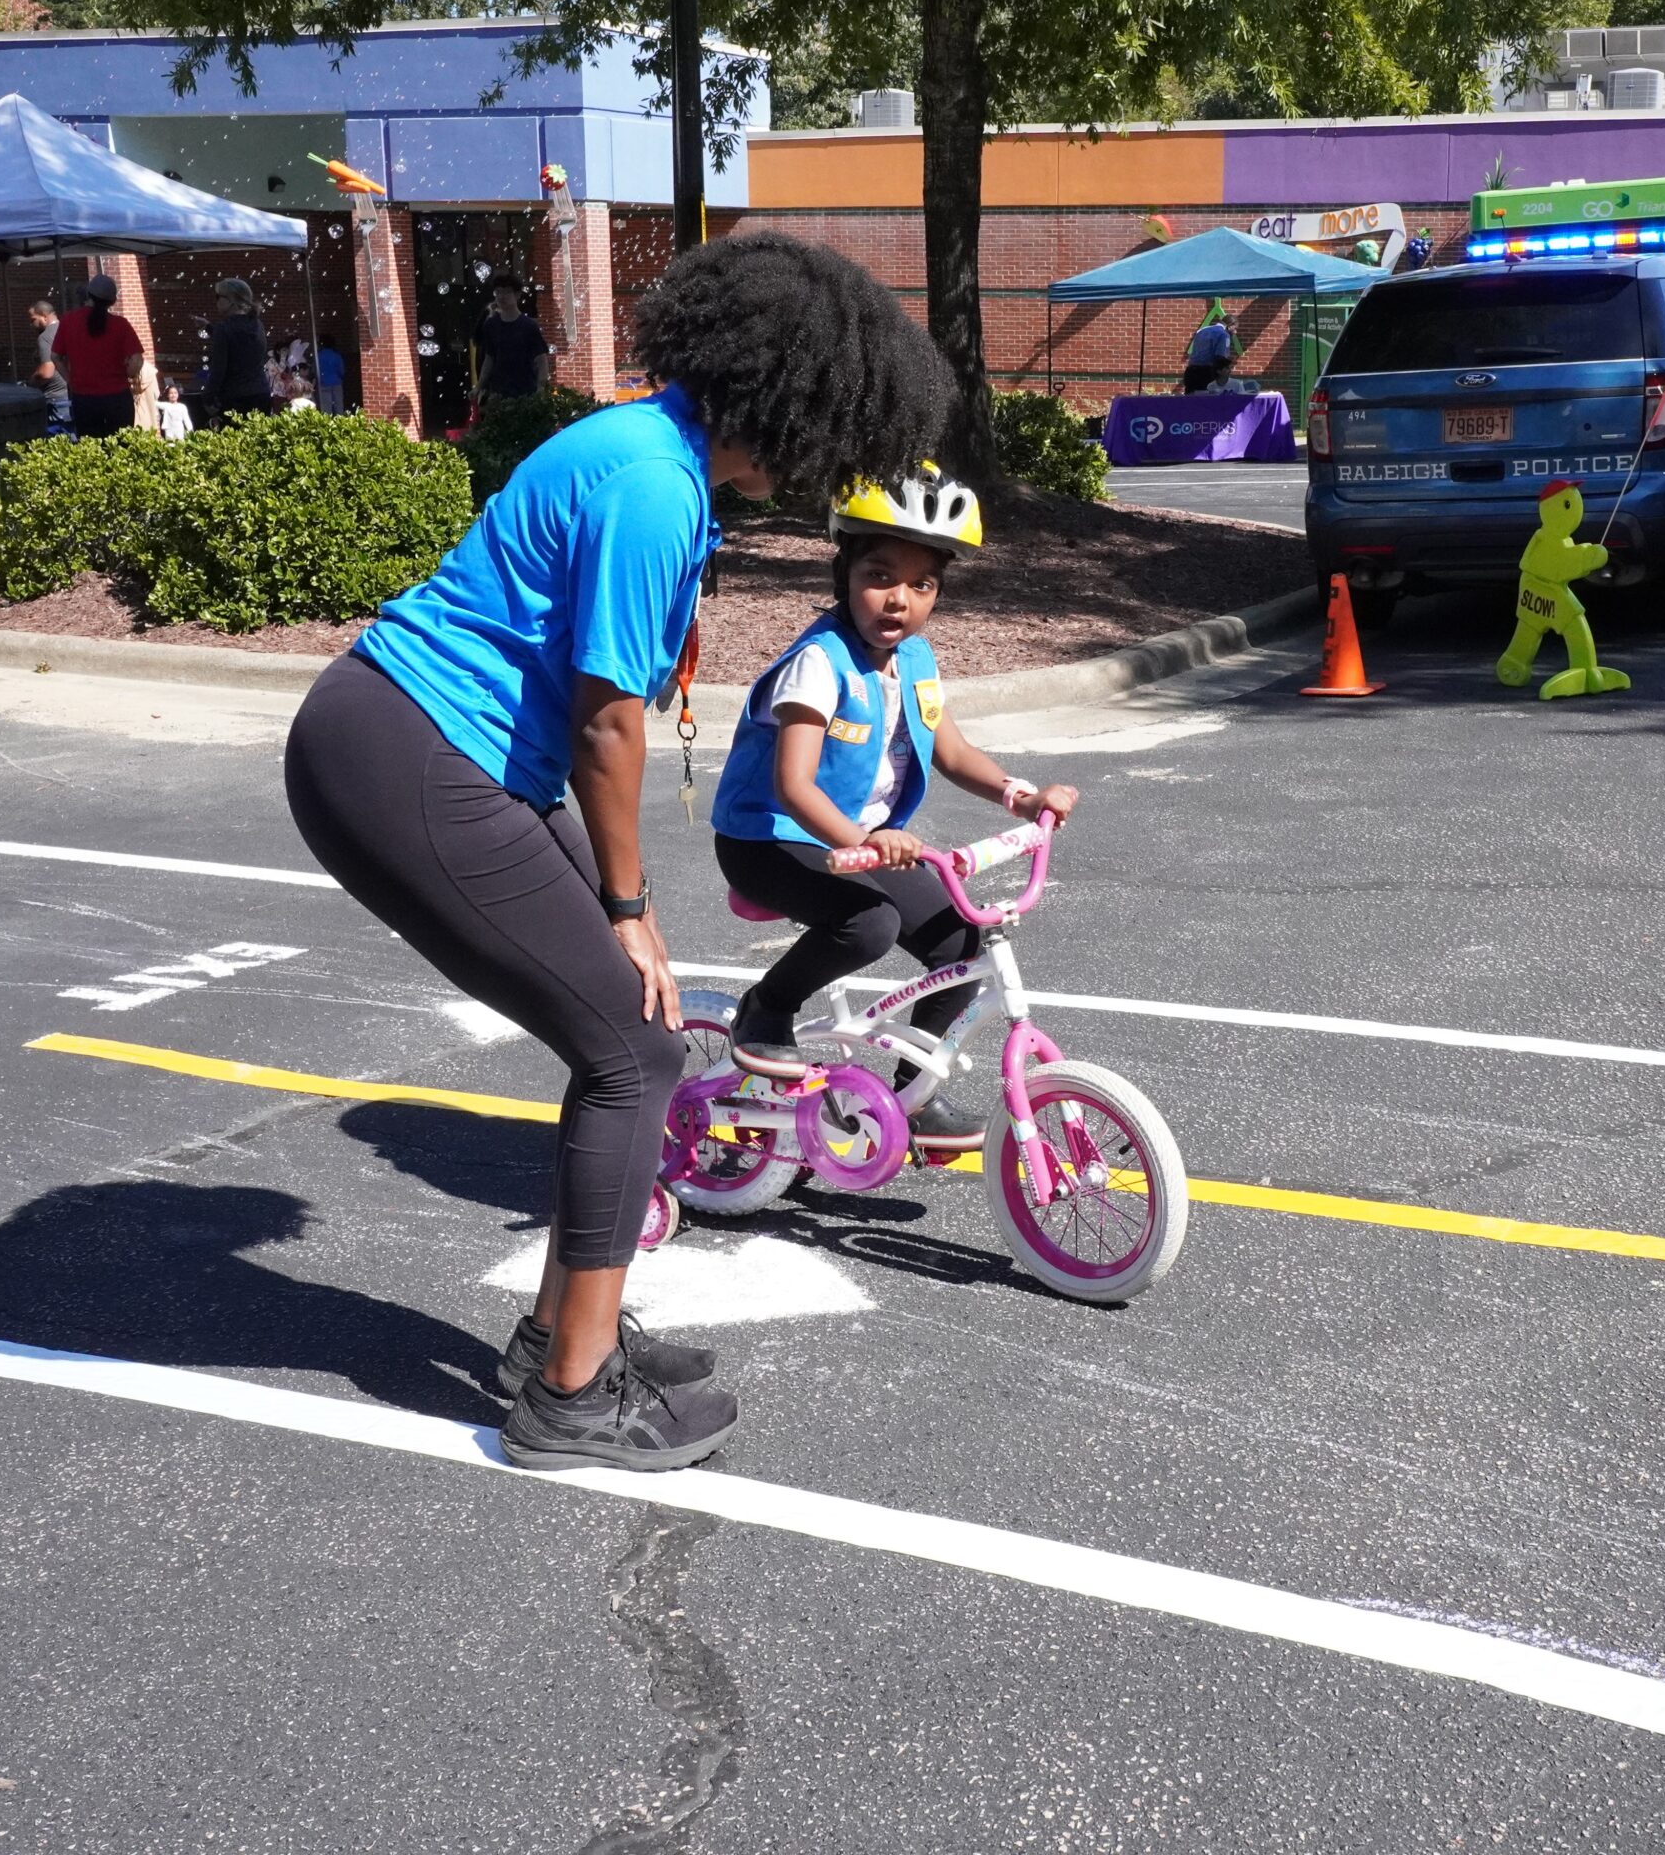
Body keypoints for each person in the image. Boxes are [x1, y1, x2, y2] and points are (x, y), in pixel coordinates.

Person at [282, 232, 953, 1474]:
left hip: (440, 753)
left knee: (628, 1039)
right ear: (794, 400)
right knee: (631, 1046)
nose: (821, 467)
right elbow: (607, 719)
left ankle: (561, 1332)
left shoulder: (655, 450)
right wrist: (627, 902)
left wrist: (614, 905)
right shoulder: (654, 482)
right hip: (409, 756)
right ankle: (568, 1395)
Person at [709, 466, 1080, 1148]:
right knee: (868, 922)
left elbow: (951, 750)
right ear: (843, 572)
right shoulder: (817, 664)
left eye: (922, 584)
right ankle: (767, 1008)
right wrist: (866, 842)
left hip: (856, 839)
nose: (898, 600)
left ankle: (913, 1091)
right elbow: (793, 785)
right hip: (767, 836)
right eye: (880, 575)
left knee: (963, 946)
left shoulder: (914, 660)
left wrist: (1022, 797)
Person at [57, 273, 145, 439]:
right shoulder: (121, 324)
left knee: (91, 450)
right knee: (121, 449)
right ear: (112, 301)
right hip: (117, 397)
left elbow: (55, 357)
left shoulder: (69, 321)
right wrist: (126, 374)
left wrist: (71, 380)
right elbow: (137, 360)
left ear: (88, 294)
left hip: (83, 397)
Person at [473, 275, 553, 401]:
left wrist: (541, 388)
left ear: (517, 295)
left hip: (525, 391)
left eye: (506, 292)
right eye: (498, 292)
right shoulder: (491, 325)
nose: (501, 296)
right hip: (498, 392)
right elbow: (489, 359)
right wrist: (479, 387)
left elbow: (541, 360)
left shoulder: (529, 326)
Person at [205, 277, 274, 419]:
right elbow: (241, 344)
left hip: (235, 397)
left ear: (231, 301)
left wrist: (207, 398)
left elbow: (218, 369)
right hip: (261, 392)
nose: (216, 301)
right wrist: (210, 328)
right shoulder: (257, 324)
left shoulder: (223, 329)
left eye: (218, 297)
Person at [28, 298, 70, 434]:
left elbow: (47, 371)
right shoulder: (67, 329)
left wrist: (31, 382)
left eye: (33, 319)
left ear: (44, 317)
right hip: (71, 394)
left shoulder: (45, 337)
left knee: (59, 446)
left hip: (55, 399)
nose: (31, 324)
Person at [1181, 302, 1236, 394]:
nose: (1235, 332)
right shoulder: (1224, 334)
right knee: (1207, 403)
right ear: (1230, 326)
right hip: (1206, 373)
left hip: (1191, 372)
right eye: (1235, 328)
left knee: (1190, 402)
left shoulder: (1202, 330)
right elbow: (1220, 358)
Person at [314, 330, 346, 415]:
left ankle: (327, 426)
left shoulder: (318, 356)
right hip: (336, 382)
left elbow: (315, 370)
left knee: (326, 408)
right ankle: (340, 424)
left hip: (323, 383)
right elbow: (341, 371)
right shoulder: (336, 355)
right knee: (339, 406)